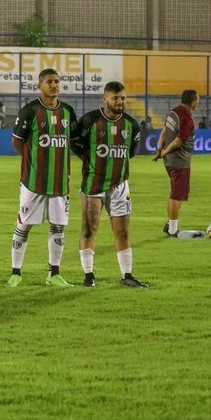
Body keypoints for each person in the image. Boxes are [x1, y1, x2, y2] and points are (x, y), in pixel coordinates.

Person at [71, 82, 147, 288]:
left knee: (122, 232)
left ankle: (127, 276)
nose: (120, 102)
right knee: (89, 229)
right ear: (105, 99)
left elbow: (130, 153)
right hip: (93, 185)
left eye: (123, 98)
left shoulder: (132, 125)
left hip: (120, 185)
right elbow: (75, 143)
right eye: (116, 98)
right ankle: (88, 276)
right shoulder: (89, 121)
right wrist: (88, 161)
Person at [7, 68, 78, 287]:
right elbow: (17, 141)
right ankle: (16, 273)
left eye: (57, 81)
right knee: (24, 225)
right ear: (40, 85)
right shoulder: (30, 111)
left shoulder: (67, 111)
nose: (54, 85)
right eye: (49, 81)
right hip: (33, 181)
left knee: (58, 226)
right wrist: (33, 160)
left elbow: (72, 141)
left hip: (59, 182)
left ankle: (53, 273)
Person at [156, 89, 198, 238]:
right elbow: (178, 141)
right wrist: (163, 152)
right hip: (179, 161)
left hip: (171, 161)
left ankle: (170, 224)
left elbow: (164, 131)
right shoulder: (187, 118)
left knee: (181, 194)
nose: (198, 102)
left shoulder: (173, 112)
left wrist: (160, 149)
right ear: (193, 101)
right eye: (197, 99)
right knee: (176, 195)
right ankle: (173, 230)